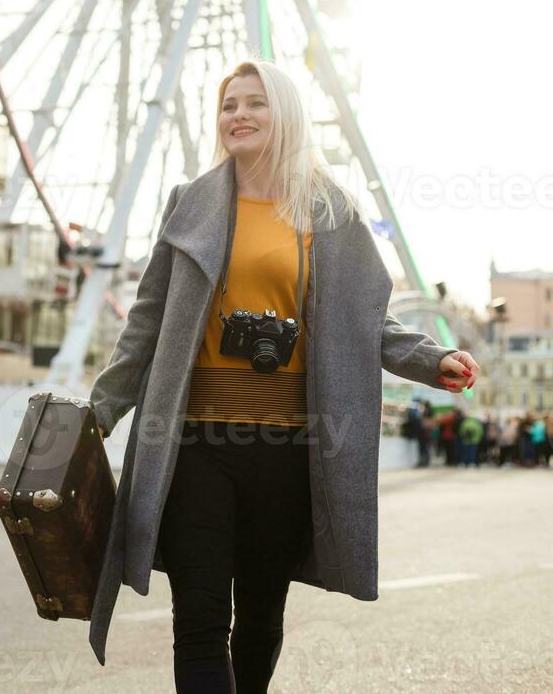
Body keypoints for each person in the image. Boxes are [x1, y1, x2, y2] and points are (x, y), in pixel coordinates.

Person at [88, 58, 481, 689]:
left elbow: (363, 323)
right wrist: (97, 412)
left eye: (254, 103)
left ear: (286, 114)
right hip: (193, 442)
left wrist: (430, 359)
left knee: (262, 617)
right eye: (228, 104)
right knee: (199, 617)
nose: (237, 115)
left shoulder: (330, 213)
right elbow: (147, 323)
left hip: (289, 446)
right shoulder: (190, 204)